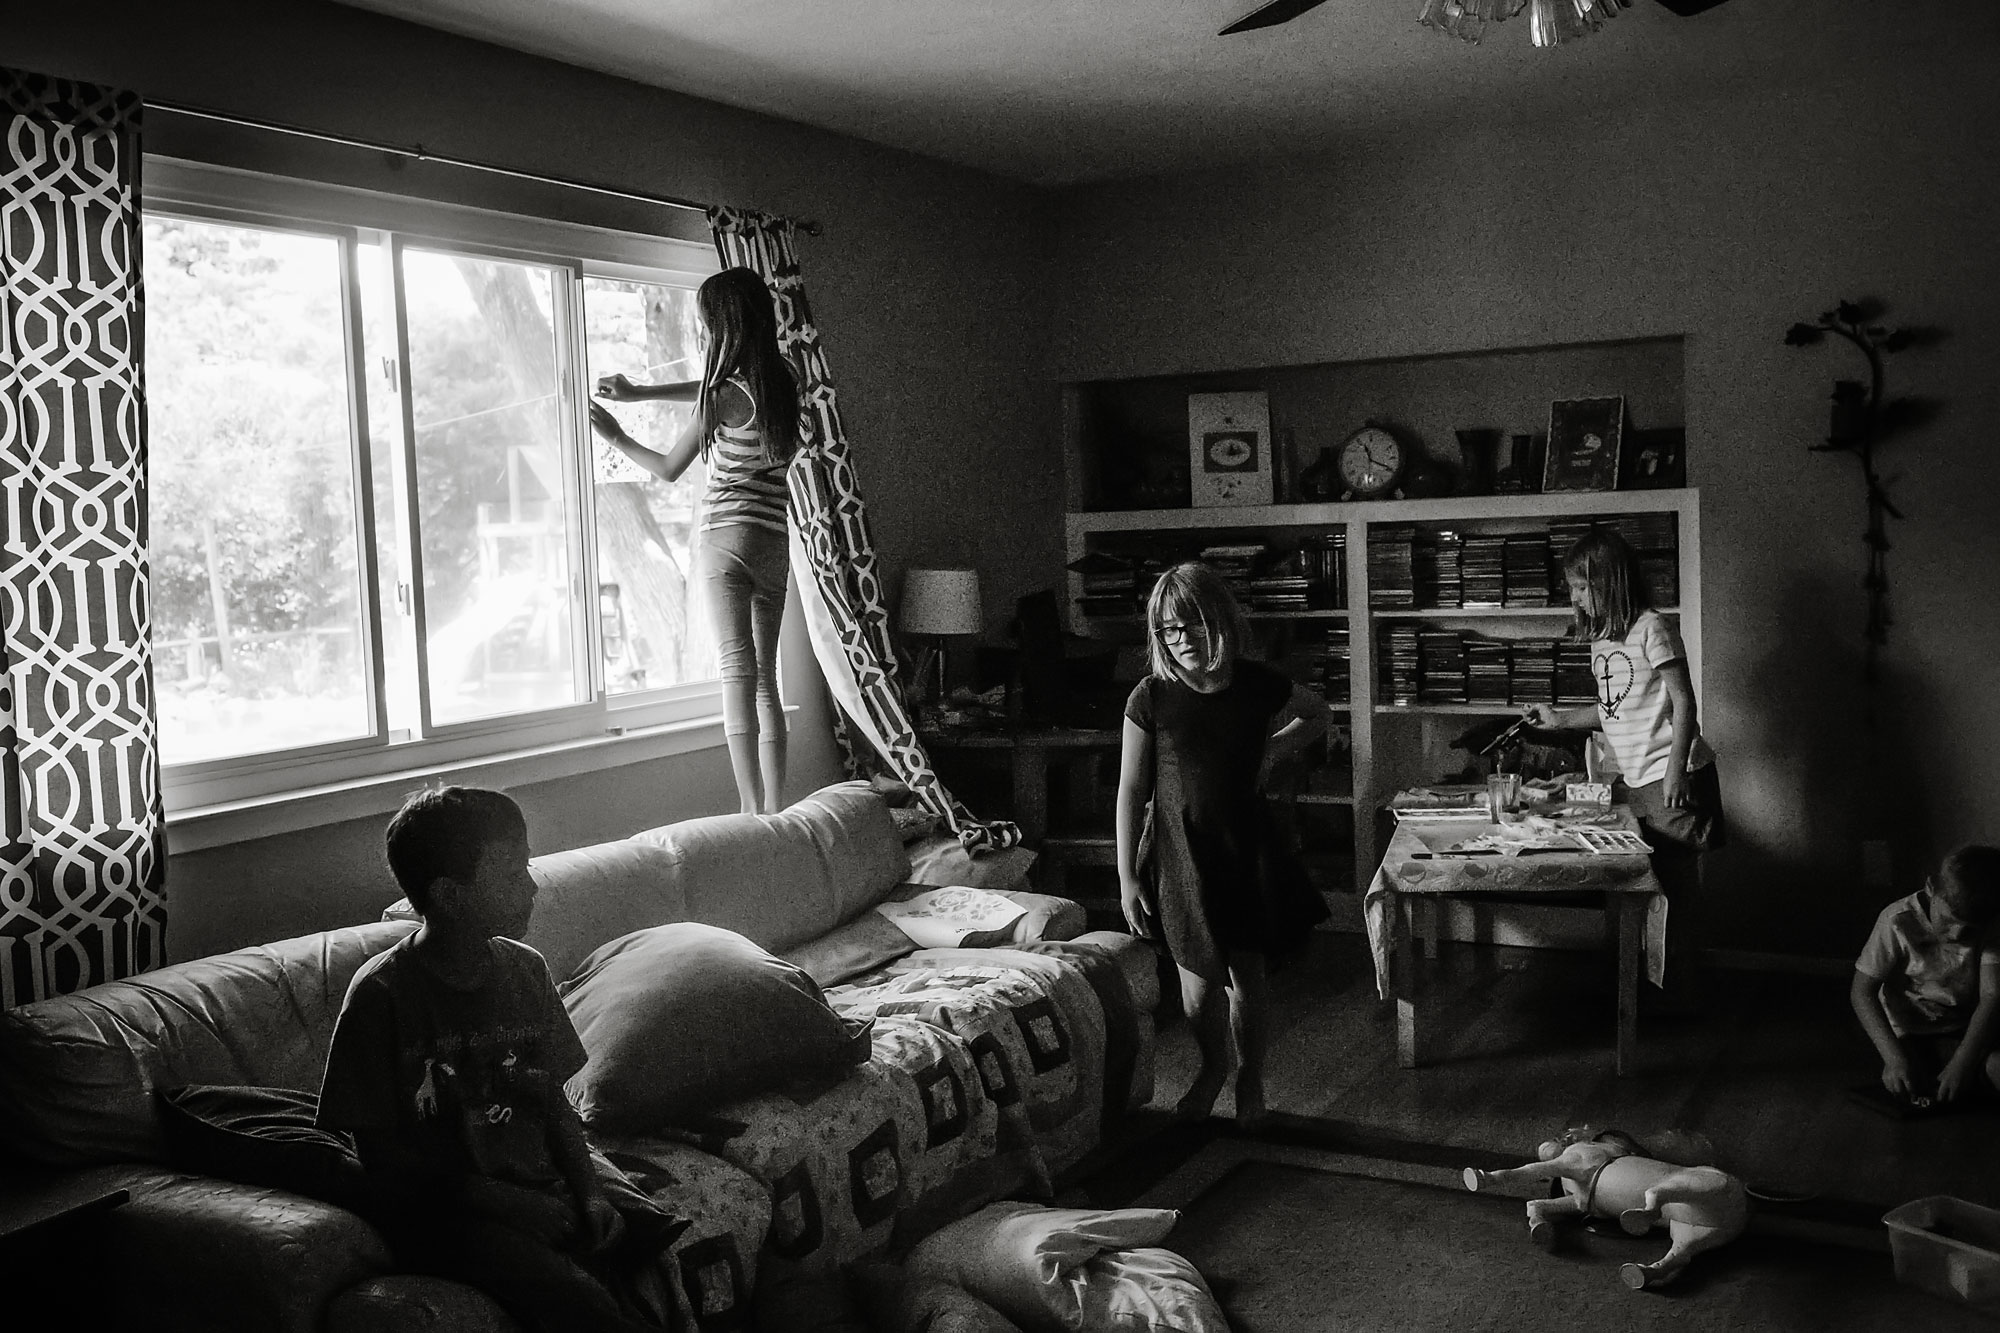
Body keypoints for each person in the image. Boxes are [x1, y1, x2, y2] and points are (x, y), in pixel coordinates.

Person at [317, 786, 683, 1333]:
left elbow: (551, 1101)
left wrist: (587, 1190)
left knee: (651, 1239)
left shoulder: (524, 971)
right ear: (449, 895)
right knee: (574, 1299)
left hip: (535, 1175)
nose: (532, 886)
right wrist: (504, 1203)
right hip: (446, 1211)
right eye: (512, 873)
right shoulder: (382, 996)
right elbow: (379, 1158)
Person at [1115, 561, 1336, 1125]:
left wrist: (1274, 752)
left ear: (1219, 620)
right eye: (1167, 630)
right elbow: (1130, 788)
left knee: (1247, 976)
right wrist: (1126, 877)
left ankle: (1248, 1076)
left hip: (1246, 854)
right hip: (1179, 858)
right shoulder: (1151, 697)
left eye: (1191, 625)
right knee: (1195, 988)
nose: (1181, 639)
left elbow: (1317, 714)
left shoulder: (1256, 684)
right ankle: (1211, 1067)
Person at [591, 266, 801, 816]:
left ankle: (749, 808)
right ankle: (778, 806)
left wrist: (617, 435)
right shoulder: (784, 382)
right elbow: (720, 388)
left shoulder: (721, 395)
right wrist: (643, 393)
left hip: (725, 540)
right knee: (765, 680)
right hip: (774, 544)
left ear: (722, 323)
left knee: (736, 669)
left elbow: (667, 468)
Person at [1524, 527, 1724, 1000]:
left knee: (1673, 893)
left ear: (1608, 582)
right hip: (1635, 778)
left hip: (1671, 775)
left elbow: (1685, 702)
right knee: (1641, 887)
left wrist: (1676, 769)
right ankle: (1645, 991)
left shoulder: (1652, 627)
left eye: (1579, 586)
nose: (1573, 596)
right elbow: (1613, 706)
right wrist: (1558, 719)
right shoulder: (1604, 640)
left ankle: (1679, 997)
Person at [1850, 844, 2000, 1107]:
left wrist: (1962, 1063)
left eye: (1969, 931)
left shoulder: (1993, 926)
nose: (1955, 935)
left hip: (1966, 1027)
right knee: (1907, 1078)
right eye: (1949, 919)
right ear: (1931, 888)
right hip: (1910, 1031)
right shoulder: (1896, 920)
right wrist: (1893, 1059)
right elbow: (1862, 991)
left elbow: (1992, 995)